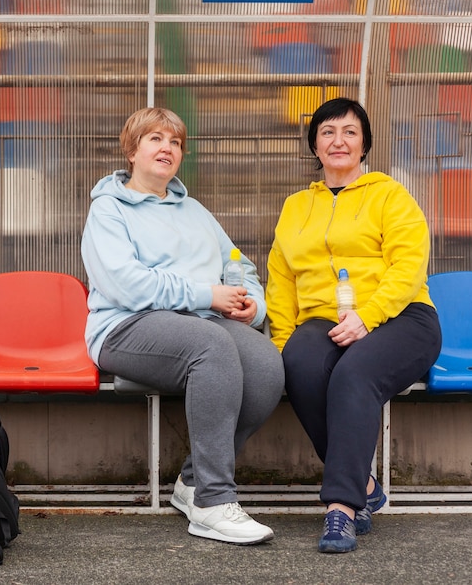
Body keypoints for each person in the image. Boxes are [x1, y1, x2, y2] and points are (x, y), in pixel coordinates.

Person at [81, 107, 284, 545]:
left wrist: (251, 306)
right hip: (126, 326)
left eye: (174, 142)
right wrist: (205, 294)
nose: (166, 148)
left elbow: (240, 265)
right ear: (132, 150)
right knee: (209, 345)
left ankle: (191, 482)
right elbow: (126, 285)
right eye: (155, 139)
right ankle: (213, 502)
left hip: (200, 324)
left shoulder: (194, 210)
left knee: (266, 365)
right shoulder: (108, 210)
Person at [266, 97, 442, 553]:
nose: (338, 140)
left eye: (349, 131)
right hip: (323, 319)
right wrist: (285, 344)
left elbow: (408, 267)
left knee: (353, 373)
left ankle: (341, 509)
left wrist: (369, 316)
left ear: (364, 144)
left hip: (403, 316)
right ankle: (362, 482)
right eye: (327, 132)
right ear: (315, 146)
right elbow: (281, 280)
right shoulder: (295, 206)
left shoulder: (390, 195)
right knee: (301, 365)